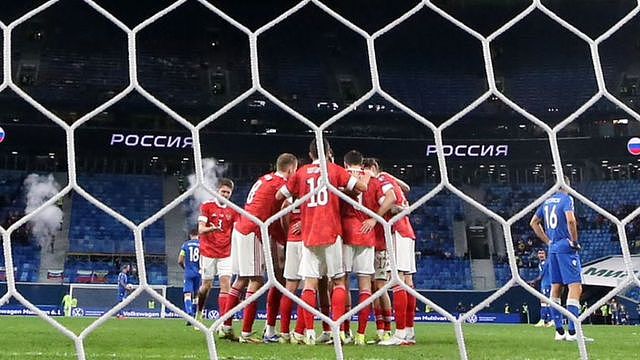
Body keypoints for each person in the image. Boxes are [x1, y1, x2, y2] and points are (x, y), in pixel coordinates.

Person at [276, 138, 369, 345]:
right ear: (328, 152)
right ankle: (336, 330)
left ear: (310, 155)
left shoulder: (301, 172)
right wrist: (340, 189)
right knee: (337, 281)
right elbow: (361, 187)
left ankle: (308, 332)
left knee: (309, 282)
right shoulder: (335, 170)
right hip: (332, 232)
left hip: (308, 234)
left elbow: (279, 195)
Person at [226, 153, 298, 343]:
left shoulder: (264, 179)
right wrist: (286, 239)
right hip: (254, 230)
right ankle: (247, 333)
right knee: (256, 280)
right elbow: (282, 212)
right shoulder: (280, 186)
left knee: (241, 278)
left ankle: (226, 326)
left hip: (242, 227)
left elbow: (268, 211)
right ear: (291, 169)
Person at [341, 150, 396, 345]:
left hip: (346, 234)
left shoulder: (341, 176)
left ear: (345, 162)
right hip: (367, 236)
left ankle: (343, 332)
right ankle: (362, 335)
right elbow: (391, 198)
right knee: (367, 286)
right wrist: (375, 218)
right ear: (362, 164)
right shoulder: (373, 180)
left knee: (342, 284)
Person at [530, 176, 593, 342]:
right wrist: (574, 241)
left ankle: (559, 331)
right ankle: (573, 332)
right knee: (575, 287)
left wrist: (547, 241)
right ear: (565, 185)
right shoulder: (566, 199)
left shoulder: (547, 201)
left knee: (556, 288)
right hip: (566, 247)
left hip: (553, 248)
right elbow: (571, 220)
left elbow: (534, 223)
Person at [364, 159, 417, 346]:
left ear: (372, 168)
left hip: (396, 231)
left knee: (399, 281)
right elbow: (406, 188)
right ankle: (409, 332)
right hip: (407, 232)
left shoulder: (380, 181)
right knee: (408, 282)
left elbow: (393, 204)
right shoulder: (389, 180)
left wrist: (375, 217)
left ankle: (401, 333)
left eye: (365, 171)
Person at [195, 179, 239, 338]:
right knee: (206, 286)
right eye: (223, 192)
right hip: (208, 251)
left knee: (225, 284)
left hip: (226, 253)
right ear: (217, 191)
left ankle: (222, 322)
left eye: (228, 193)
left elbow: (238, 229)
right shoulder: (207, 206)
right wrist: (210, 229)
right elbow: (200, 230)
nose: (225, 195)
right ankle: (199, 311)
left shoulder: (233, 210)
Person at [178, 228, 201, 324]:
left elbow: (180, 260)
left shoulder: (185, 245)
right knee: (196, 295)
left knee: (187, 294)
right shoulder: (202, 245)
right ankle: (196, 316)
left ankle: (189, 313)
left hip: (188, 273)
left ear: (190, 235)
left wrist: (185, 268)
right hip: (199, 273)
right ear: (198, 235)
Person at [529, 249, 553, 327]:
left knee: (547, 302)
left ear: (545, 254)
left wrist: (534, 281)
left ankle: (549, 320)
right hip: (544, 284)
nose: (541, 255)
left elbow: (541, 275)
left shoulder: (547, 263)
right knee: (543, 302)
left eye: (542, 253)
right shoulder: (541, 264)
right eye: (539, 253)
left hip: (547, 284)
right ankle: (545, 320)